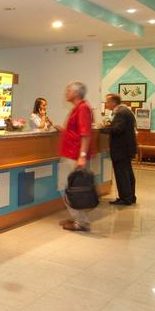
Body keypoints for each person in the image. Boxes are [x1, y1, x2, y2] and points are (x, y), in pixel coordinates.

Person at [57, 82, 94, 232]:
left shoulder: (83, 108)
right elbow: (77, 131)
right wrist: (64, 131)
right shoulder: (77, 108)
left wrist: (82, 156)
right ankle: (77, 218)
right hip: (70, 153)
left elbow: (85, 134)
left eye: (68, 91)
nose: (66, 93)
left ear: (76, 93)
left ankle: (81, 222)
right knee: (68, 187)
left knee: (69, 188)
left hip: (74, 155)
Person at [102, 93, 137, 205]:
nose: (106, 104)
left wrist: (102, 129)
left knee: (122, 174)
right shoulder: (125, 111)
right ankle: (130, 197)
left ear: (114, 102)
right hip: (126, 149)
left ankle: (125, 198)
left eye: (107, 102)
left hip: (121, 149)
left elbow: (117, 130)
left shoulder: (120, 113)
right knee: (127, 173)